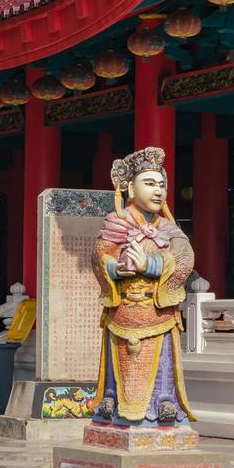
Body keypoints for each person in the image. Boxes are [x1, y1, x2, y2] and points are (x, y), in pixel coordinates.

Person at [90, 147, 196, 430]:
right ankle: (111, 404)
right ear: (130, 189)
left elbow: (185, 259)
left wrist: (150, 264)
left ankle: (163, 406)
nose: (158, 191)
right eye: (149, 183)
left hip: (158, 312)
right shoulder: (117, 223)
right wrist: (117, 267)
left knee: (162, 367)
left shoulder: (169, 228)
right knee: (119, 366)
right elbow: (99, 257)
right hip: (123, 310)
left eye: (162, 184)